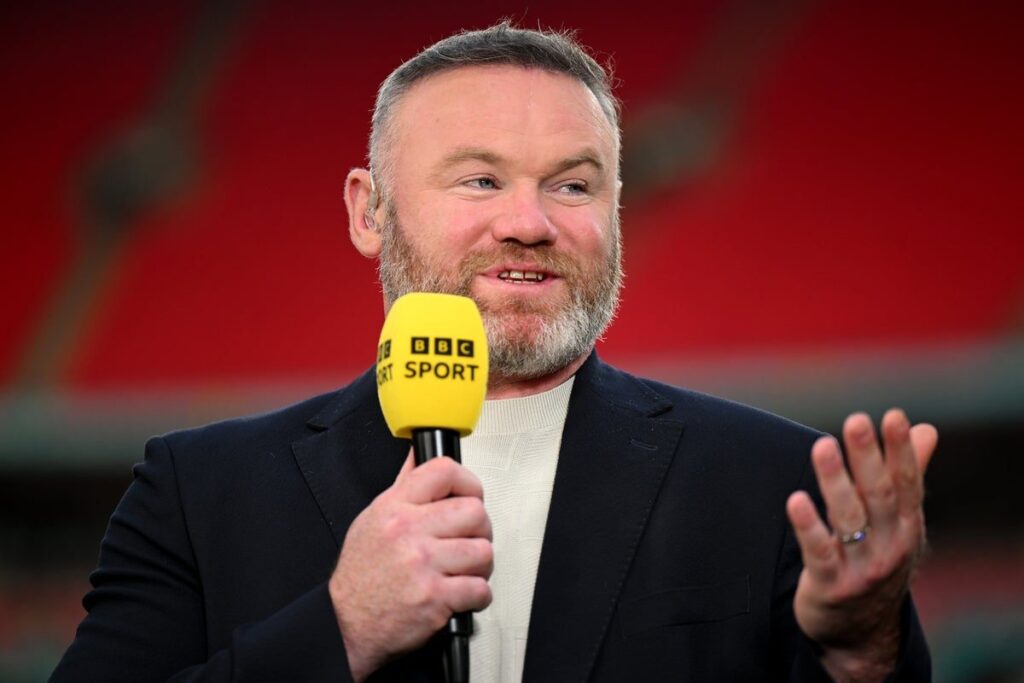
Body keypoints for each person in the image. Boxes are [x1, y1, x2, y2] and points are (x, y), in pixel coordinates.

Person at [51, 23, 936, 682]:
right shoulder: (198, 493)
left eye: (574, 183)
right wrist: (341, 624)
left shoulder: (776, 481)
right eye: (480, 179)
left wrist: (862, 656)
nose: (529, 222)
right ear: (370, 211)